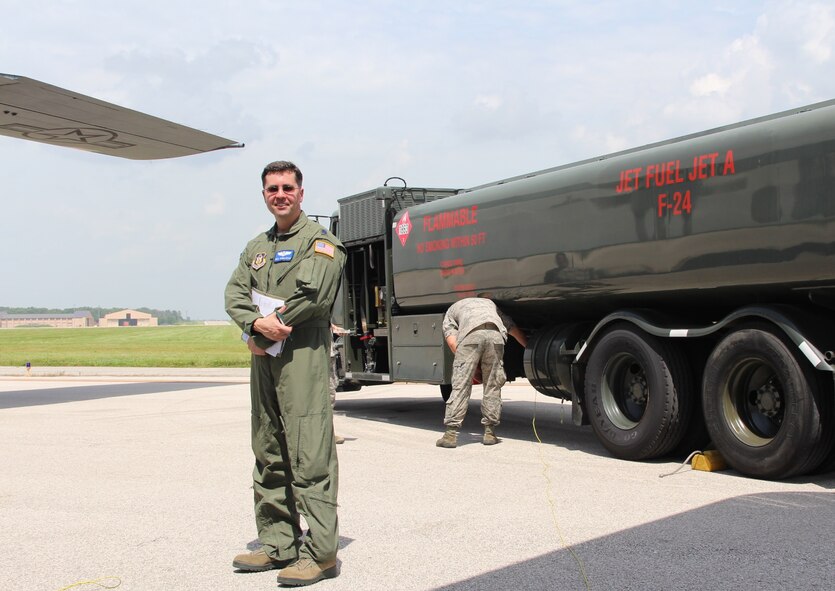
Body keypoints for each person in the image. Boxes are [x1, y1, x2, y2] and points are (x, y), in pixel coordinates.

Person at [225, 160, 346, 587]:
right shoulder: (256, 246)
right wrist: (253, 328)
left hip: (302, 354)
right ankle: (278, 544)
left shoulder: (322, 243)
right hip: (263, 354)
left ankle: (322, 554)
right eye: (272, 189)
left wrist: (271, 323)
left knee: (308, 450)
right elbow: (235, 292)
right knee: (268, 446)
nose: (280, 195)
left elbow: (314, 296)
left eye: (287, 188)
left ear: (301, 192)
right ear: (264, 195)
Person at [436, 296, 527, 448]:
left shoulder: (451, 311)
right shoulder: (490, 304)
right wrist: (529, 347)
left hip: (470, 336)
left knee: (461, 385)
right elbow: (511, 328)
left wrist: (471, 369)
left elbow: (453, 344)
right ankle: (490, 433)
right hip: (496, 336)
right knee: (493, 384)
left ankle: (450, 435)